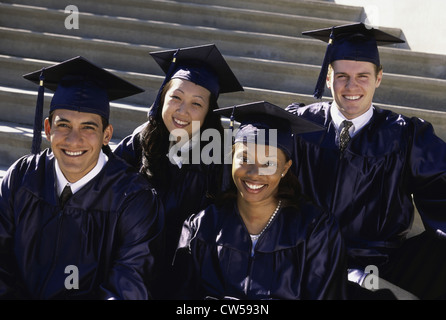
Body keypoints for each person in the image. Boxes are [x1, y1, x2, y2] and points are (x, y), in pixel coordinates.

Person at [286, 22, 446, 299]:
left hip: (378, 264)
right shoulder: (298, 125)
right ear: (327, 78)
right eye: (342, 76)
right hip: (301, 255)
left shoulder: (405, 135)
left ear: (379, 77)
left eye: (363, 76)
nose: (352, 86)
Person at [0, 56, 163, 299]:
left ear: (107, 135)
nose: (74, 140)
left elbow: (129, 284)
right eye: (63, 125)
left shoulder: (133, 198)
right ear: (47, 129)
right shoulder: (22, 177)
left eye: (88, 127)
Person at [174, 101, 348, 300]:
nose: (254, 173)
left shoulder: (315, 232)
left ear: (285, 168)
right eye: (245, 159)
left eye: (269, 163)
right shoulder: (201, 228)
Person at [113, 44, 244, 299]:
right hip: (134, 271)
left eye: (197, 104)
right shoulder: (138, 143)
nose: (182, 111)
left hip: (192, 280)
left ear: (208, 113)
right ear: (162, 96)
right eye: (176, 97)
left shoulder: (221, 156)